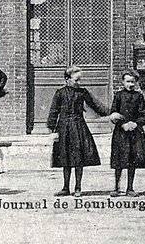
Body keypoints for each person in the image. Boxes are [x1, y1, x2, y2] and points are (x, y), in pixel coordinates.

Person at [47, 65, 121, 197]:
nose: (79, 83)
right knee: (65, 158)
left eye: (80, 80)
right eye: (76, 80)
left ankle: (77, 188)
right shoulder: (60, 93)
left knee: (78, 159)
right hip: (63, 128)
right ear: (67, 79)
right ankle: (65, 188)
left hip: (78, 127)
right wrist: (52, 130)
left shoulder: (83, 92)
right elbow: (53, 111)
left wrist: (110, 113)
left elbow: (95, 105)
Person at [109, 71, 145, 197]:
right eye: (128, 81)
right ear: (123, 82)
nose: (130, 84)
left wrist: (135, 123)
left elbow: (144, 116)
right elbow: (113, 112)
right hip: (121, 132)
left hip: (135, 133)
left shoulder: (139, 96)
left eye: (132, 82)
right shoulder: (118, 96)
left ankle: (130, 188)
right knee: (118, 161)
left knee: (132, 160)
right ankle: (116, 187)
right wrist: (121, 123)